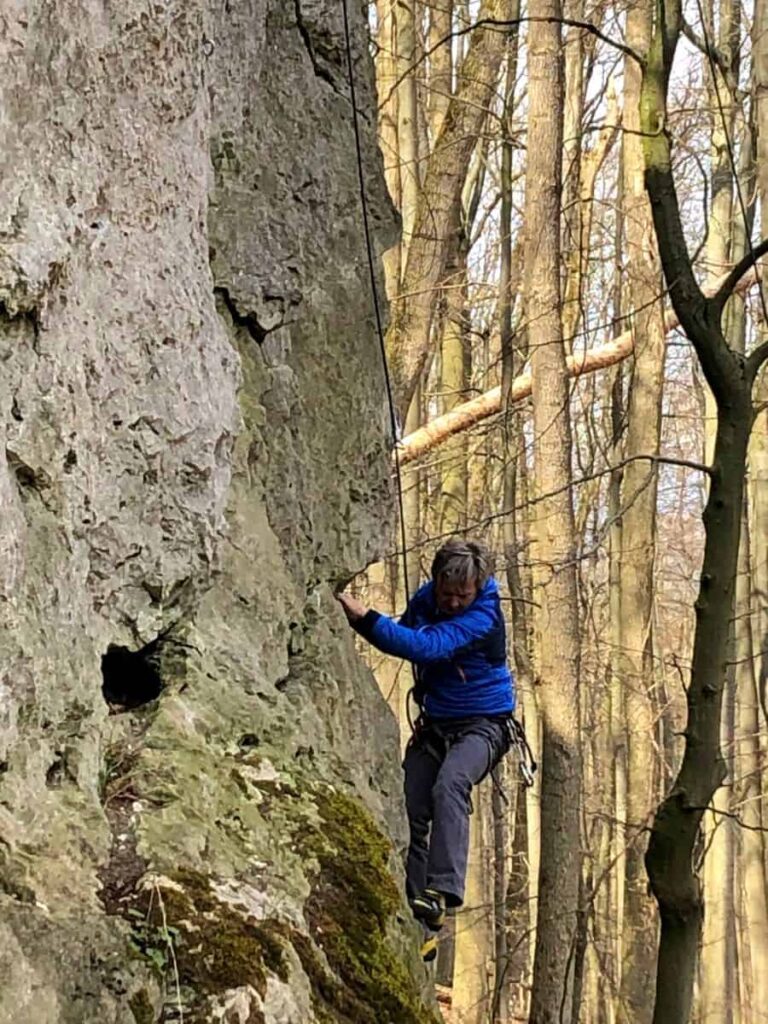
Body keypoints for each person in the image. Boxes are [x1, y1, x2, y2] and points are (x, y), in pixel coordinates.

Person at [337, 538, 515, 960]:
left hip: (484, 726)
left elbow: (424, 647)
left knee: (451, 783)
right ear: (435, 582)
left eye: (463, 596)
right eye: (446, 593)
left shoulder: (485, 616)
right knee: (407, 807)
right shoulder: (426, 598)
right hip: (436, 726)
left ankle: (444, 889)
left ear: (479, 588)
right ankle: (422, 922)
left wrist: (362, 617)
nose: (453, 602)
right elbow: (405, 633)